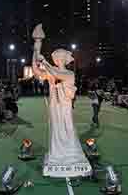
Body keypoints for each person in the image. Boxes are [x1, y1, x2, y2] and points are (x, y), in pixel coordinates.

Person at [32, 48, 92, 178]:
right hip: (55, 105)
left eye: (60, 57)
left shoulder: (69, 73)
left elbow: (57, 74)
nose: (58, 59)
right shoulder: (51, 72)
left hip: (65, 106)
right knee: (56, 127)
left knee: (68, 127)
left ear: (65, 59)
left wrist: (44, 61)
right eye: (56, 57)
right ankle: (57, 153)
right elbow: (36, 72)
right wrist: (35, 52)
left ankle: (72, 153)